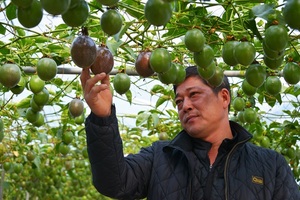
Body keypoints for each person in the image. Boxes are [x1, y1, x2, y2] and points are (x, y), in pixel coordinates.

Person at [80, 65, 300, 200]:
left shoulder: (270, 165)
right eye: (178, 101)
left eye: (194, 95)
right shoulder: (160, 156)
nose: (185, 105)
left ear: (224, 97)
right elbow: (114, 183)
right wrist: (102, 117)